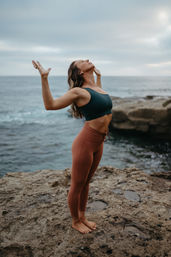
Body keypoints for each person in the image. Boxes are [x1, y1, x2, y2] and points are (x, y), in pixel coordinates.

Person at [32, 59, 113, 234]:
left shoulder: (96, 88)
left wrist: (98, 78)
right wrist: (44, 78)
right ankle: (75, 221)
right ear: (80, 72)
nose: (87, 60)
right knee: (77, 184)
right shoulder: (78, 92)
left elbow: (100, 103)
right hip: (85, 142)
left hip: (99, 142)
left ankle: (82, 216)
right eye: (82, 61)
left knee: (86, 183)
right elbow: (50, 105)